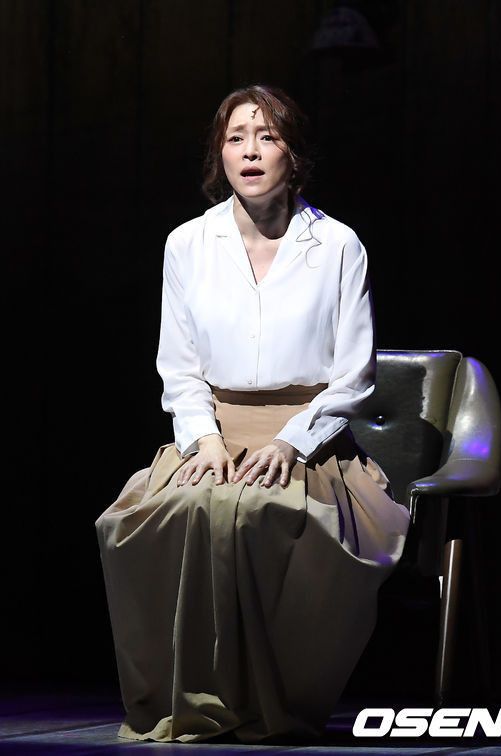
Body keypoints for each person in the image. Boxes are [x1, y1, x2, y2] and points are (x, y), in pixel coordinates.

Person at [95, 83, 410, 744]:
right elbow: (180, 367)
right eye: (236, 137)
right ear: (220, 154)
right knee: (162, 517)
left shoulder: (338, 245)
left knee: (257, 514)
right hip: (215, 434)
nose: (251, 151)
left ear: (294, 154)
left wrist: (292, 443)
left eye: (268, 136)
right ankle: (192, 701)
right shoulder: (188, 244)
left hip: (310, 442)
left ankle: (268, 706)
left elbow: (353, 377)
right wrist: (202, 439)